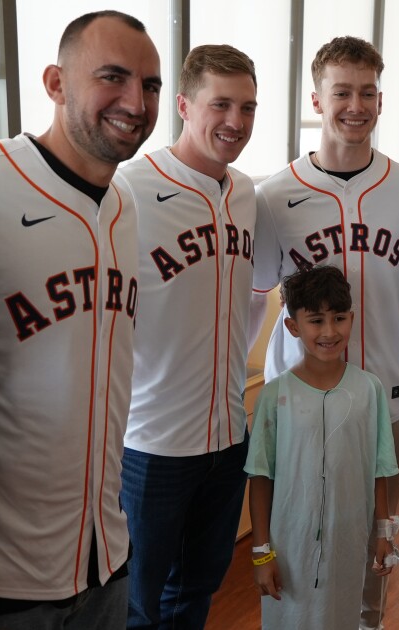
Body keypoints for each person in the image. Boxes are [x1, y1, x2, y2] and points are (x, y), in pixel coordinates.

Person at [0, 10, 160, 628]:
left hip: (107, 553)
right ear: (55, 83)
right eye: (113, 77)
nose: (135, 100)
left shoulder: (125, 204)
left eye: (149, 84)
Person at [251, 35, 399, 629]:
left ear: (380, 100)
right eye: (342, 92)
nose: (356, 105)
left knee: (372, 540)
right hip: (298, 400)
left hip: (387, 392)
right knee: (295, 538)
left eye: (368, 93)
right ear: (316, 99)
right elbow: (257, 299)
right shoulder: (274, 195)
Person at [116, 44, 259, 630]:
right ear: (182, 104)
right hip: (153, 443)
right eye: (219, 104)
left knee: (198, 588)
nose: (235, 121)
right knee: (138, 602)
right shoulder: (128, 189)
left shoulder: (247, 192)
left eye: (248, 107)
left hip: (228, 437)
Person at [245, 264, 399, 629]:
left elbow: (379, 468)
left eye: (339, 318)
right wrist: (260, 552)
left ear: (351, 318)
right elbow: (260, 477)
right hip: (288, 548)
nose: (330, 332)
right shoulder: (275, 394)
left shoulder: (369, 390)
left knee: (340, 617)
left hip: (347, 542)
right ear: (293, 326)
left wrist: (383, 532)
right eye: (316, 320)